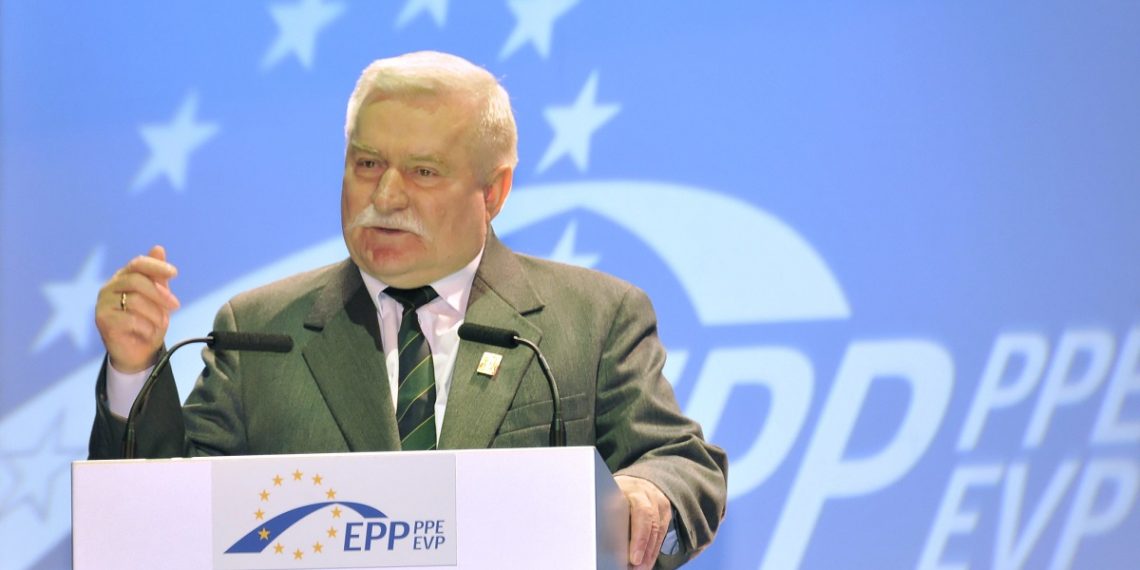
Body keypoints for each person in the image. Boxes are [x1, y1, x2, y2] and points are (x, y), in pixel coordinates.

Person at [89, 51, 726, 569]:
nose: (386, 195)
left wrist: (649, 493)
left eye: (423, 172)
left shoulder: (591, 317)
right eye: (367, 164)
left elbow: (682, 462)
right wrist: (132, 371)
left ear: (494, 191)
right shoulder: (258, 329)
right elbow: (163, 517)